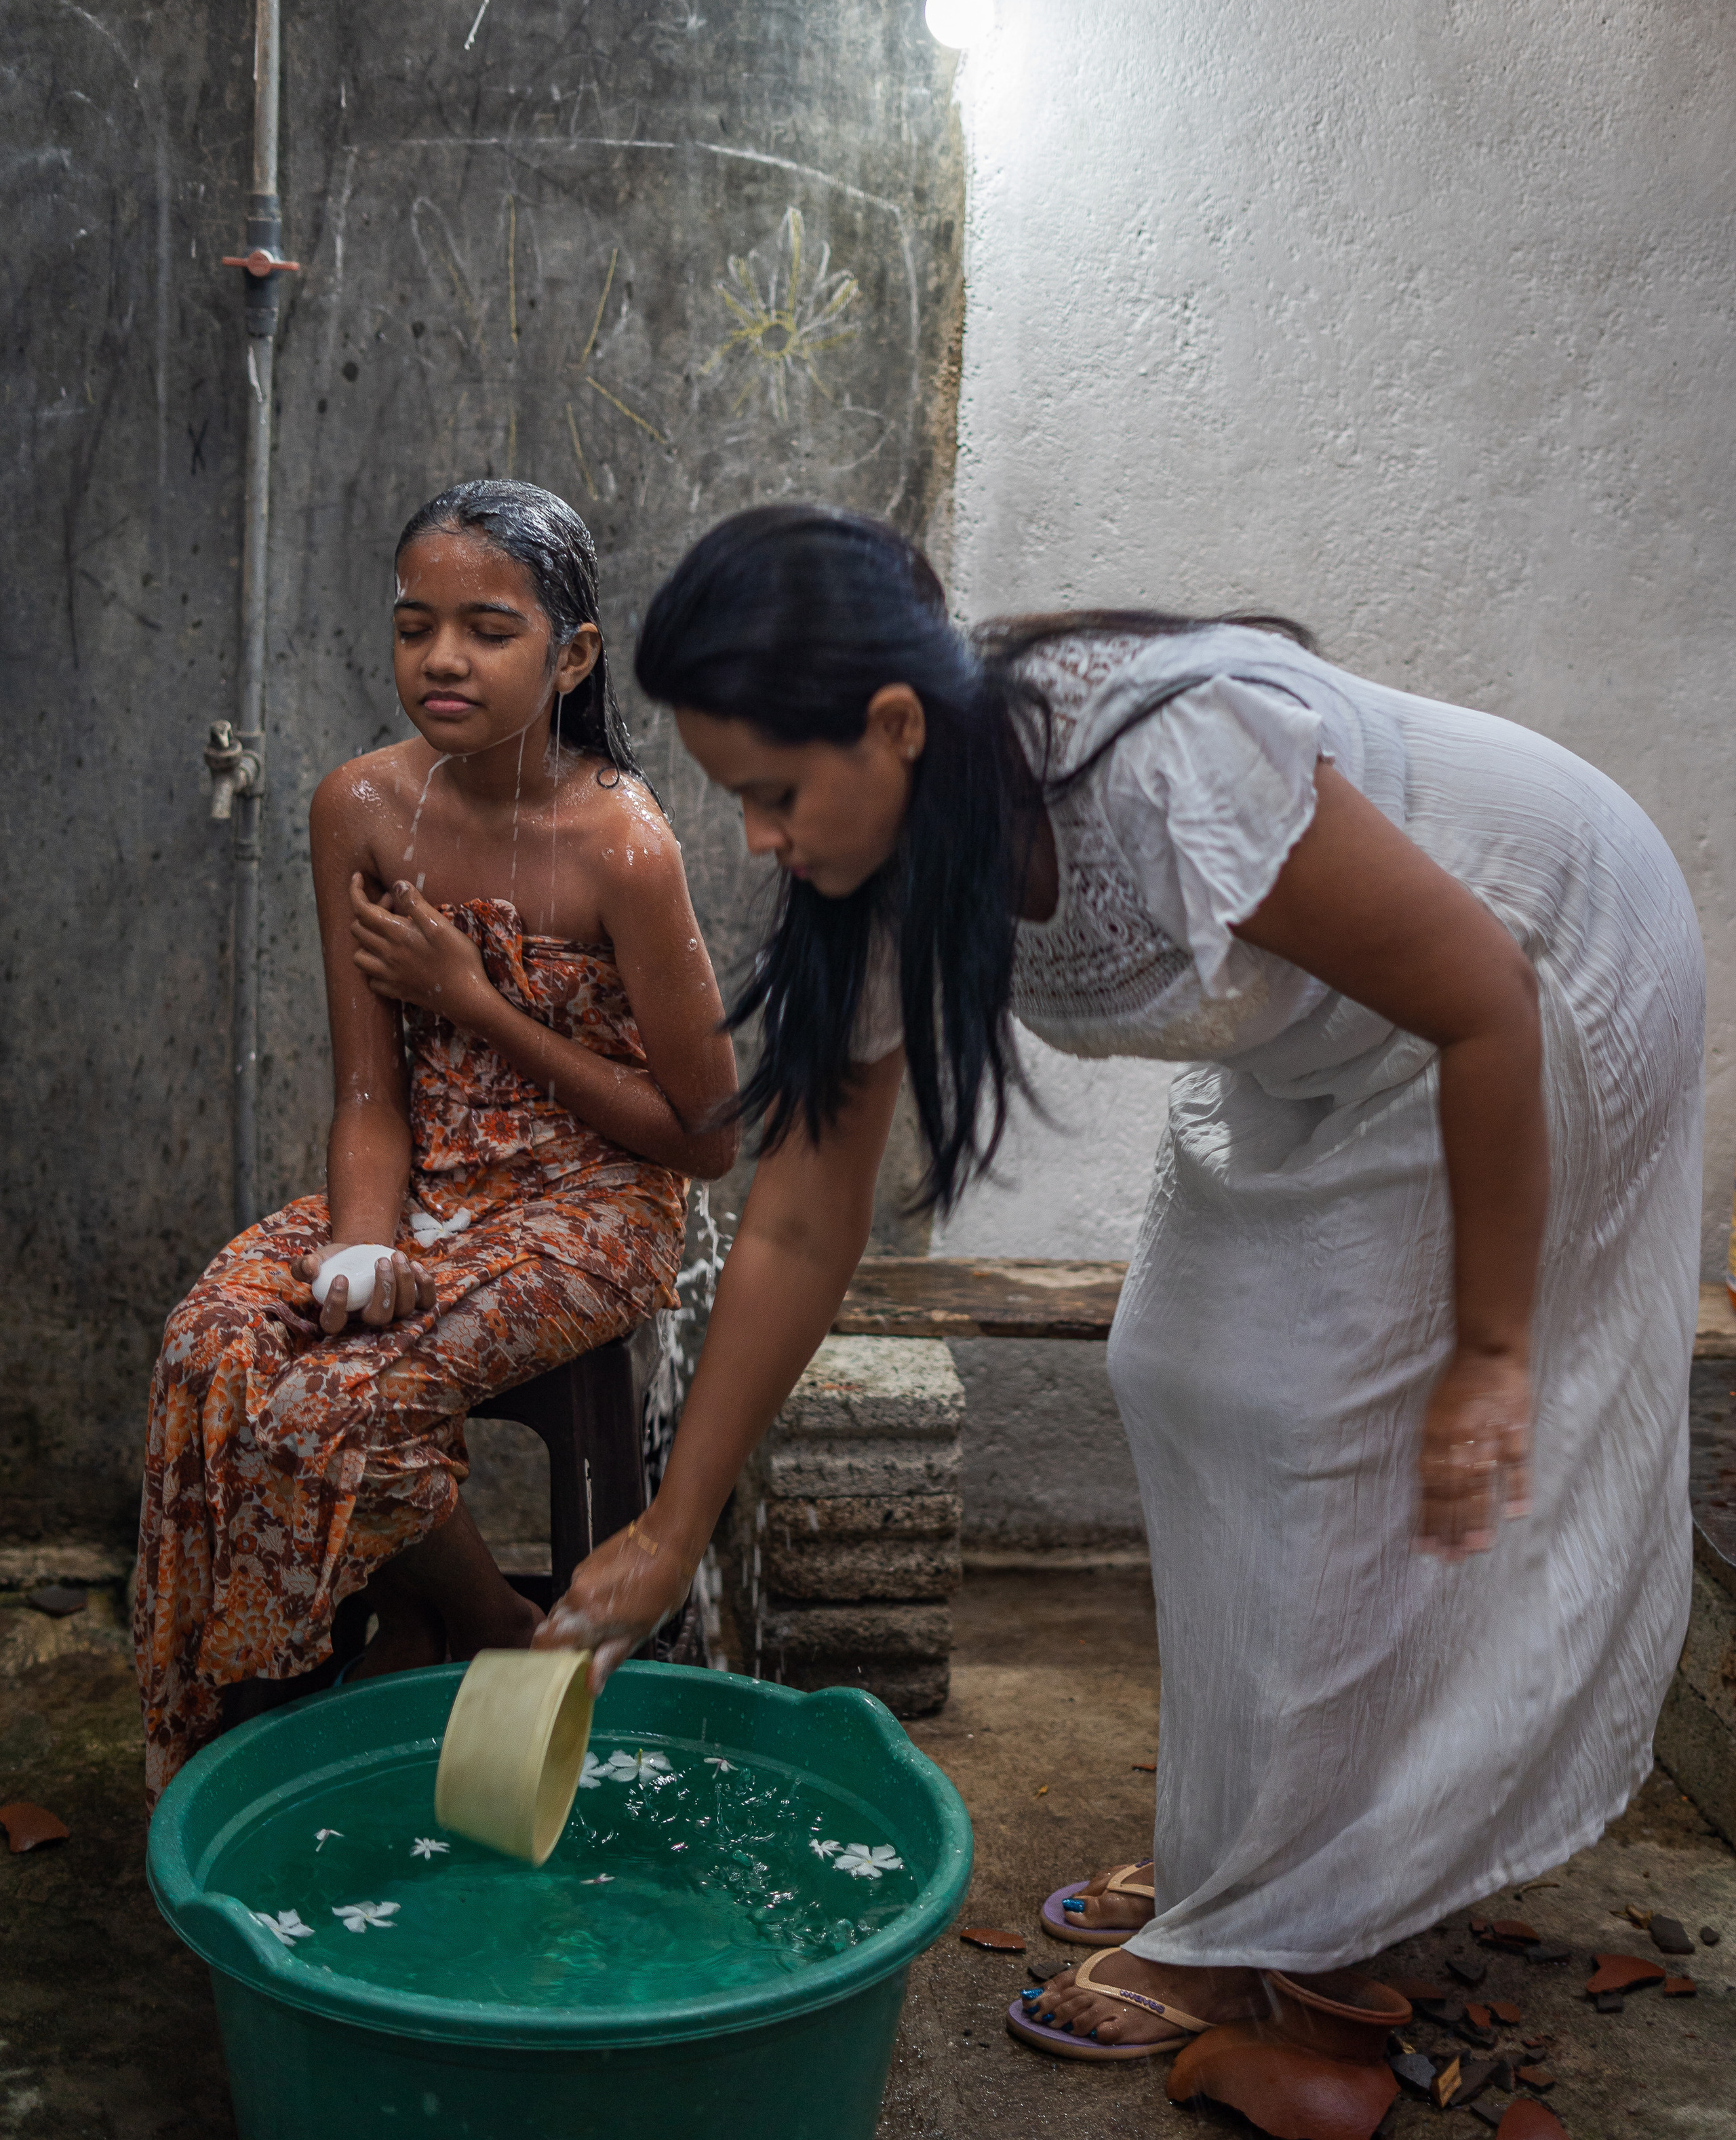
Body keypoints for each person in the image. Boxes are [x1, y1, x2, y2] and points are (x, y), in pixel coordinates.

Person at [536, 501, 1703, 2055]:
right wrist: (672, 1527)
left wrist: (1490, 1350)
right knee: (1176, 1362)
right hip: (1328, 1035)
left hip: (1536, 966)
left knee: (1316, 1428)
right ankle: (1245, 1853)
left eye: (772, 793)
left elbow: (1480, 998)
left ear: (892, 726)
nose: (758, 839)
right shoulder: (885, 856)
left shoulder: (1163, 770)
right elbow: (802, 1223)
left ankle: (1275, 1919)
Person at [135, 480, 736, 1802]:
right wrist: (361, 1246)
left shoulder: (624, 846)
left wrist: (474, 1001)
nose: (443, 659)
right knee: (210, 1347)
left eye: (488, 629)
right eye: (416, 627)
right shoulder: (356, 806)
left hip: (592, 1205)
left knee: (341, 1400)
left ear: (571, 657)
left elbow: (703, 1140)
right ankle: (333, 1661)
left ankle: (490, 1633)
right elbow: (368, 1093)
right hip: (418, 1187)